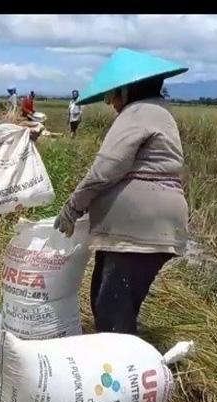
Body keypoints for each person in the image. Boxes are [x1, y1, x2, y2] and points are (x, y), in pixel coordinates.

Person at [54, 48, 189, 335]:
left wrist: (72, 208)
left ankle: (123, 374)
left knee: (112, 310)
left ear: (128, 90)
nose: (111, 102)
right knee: (108, 298)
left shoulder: (137, 113)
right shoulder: (159, 112)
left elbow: (105, 170)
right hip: (147, 226)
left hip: (138, 230)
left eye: (113, 94)